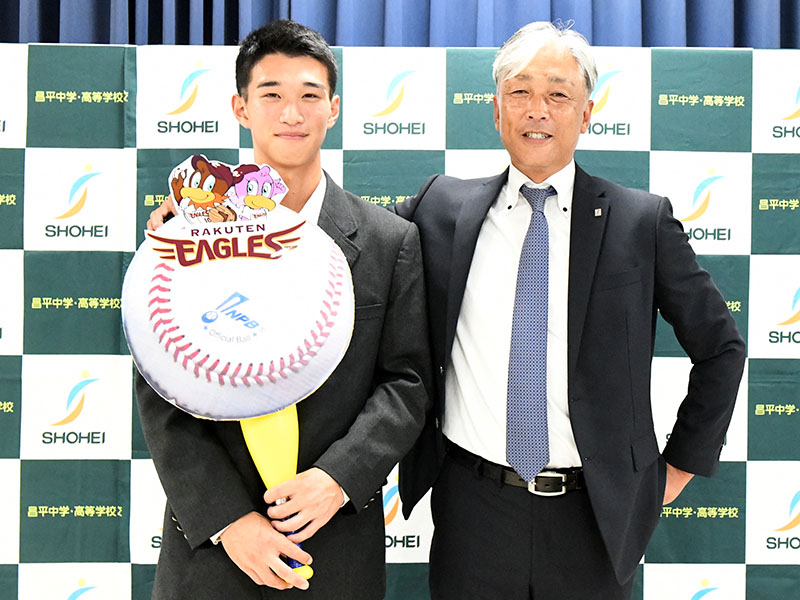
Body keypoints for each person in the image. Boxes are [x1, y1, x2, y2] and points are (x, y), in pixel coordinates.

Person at [396, 21, 745, 600]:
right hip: (472, 511)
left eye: (558, 94)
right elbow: (353, 245)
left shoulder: (641, 222)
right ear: (496, 109)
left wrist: (676, 468)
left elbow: (721, 349)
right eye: (520, 91)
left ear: (586, 113)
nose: (537, 109)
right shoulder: (440, 208)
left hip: (595, 519)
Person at [139, 19, 431, 599]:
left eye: (309, 96)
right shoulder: (185, 233)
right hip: (213, 553)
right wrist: (230, 521)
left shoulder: (389, 240)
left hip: (334, 540)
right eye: (271, 94)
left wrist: (336, 478)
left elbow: (408, 383)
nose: (291, 113)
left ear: (334, 109)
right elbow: (159, 389)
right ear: (241, 108)